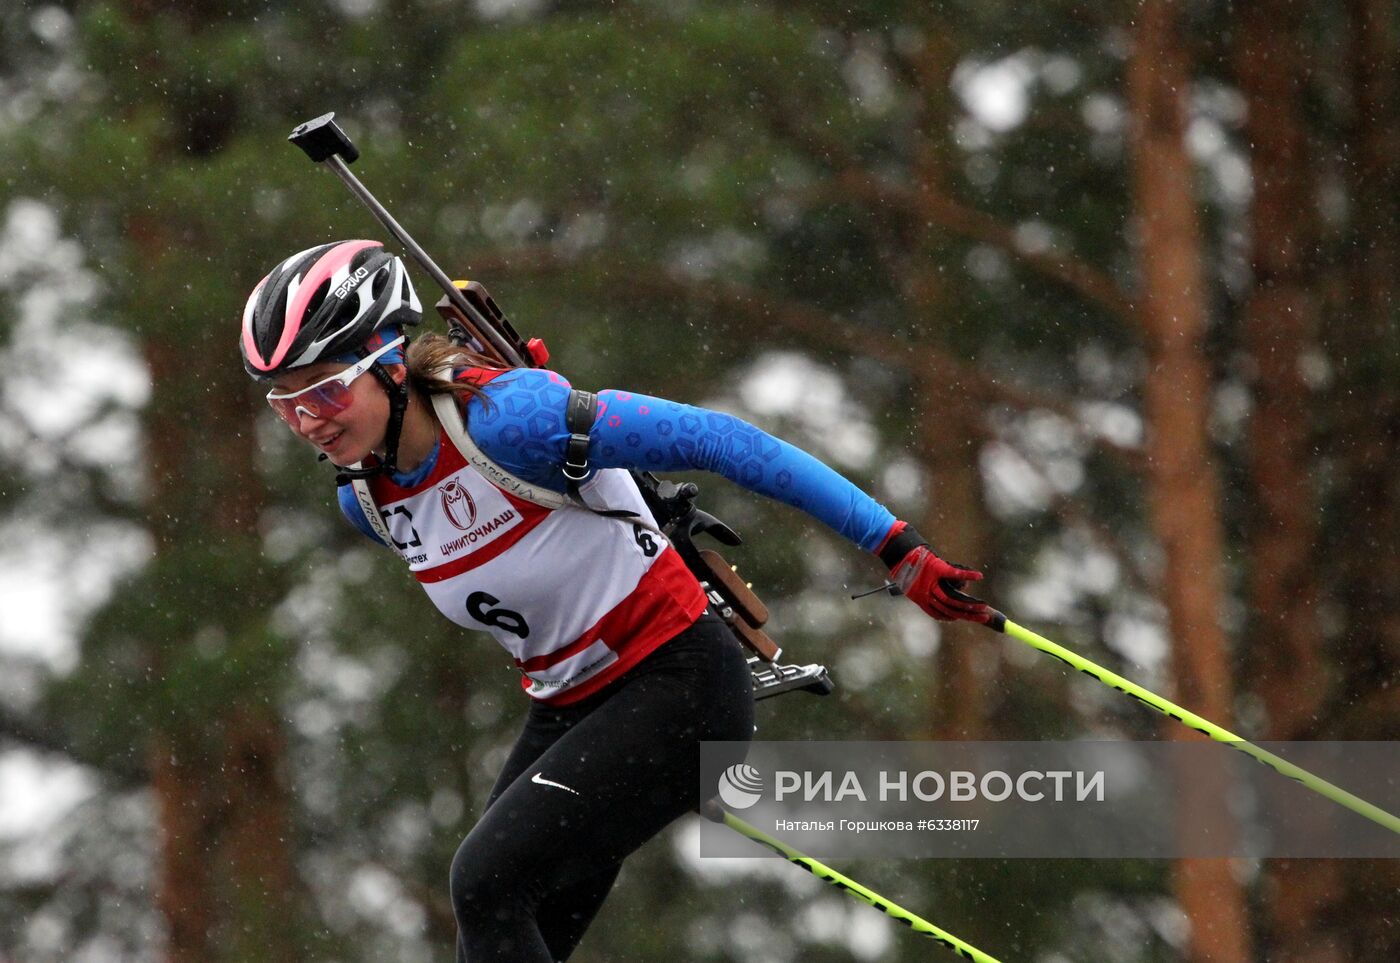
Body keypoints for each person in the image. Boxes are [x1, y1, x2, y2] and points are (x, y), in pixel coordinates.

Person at [239, 239, 991, 962]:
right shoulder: (367, 502)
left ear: (394, 363)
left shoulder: (512, 421)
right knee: (494, 925)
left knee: (486, 884)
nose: (309, 421)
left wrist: (896, 545)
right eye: (285, 404)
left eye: (327, 390)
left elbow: (725, 440)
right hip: (569, 707)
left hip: (679, 683)